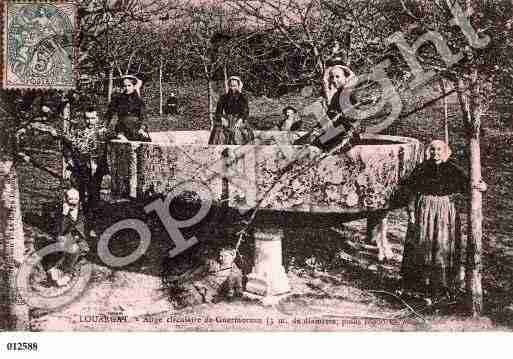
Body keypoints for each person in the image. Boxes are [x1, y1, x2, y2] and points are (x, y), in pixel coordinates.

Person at [400, 140, 487, 304]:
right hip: (424, 210)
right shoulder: (422, 168)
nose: (435, 153)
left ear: (445, 151)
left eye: (439, 150)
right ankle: (420, 286)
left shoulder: (453, 169)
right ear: (428, 151)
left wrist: (482, 187)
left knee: (442, 245)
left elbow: (469, 186)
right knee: (422, 244)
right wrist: (411, 212)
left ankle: (442, 286)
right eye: (432, 150)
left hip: (445, 211)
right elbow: (411, 190)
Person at [294, 65, 360, 151]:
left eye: (337, 77)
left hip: (346, 130)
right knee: (304, 140)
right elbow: (329, 114)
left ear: (345, 77)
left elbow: (356, 116)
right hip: (336, 128)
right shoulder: (337, 95)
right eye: (332, 77)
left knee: (317, 143)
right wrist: (318, 128)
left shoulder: (351, 93)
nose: (334, 80)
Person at [38, 188, 89, 287]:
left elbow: (84, 227)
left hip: (79, 238)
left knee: (79, 249)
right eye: (71, 199)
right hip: (65, 236)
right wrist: (64, 215)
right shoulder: (61, 212)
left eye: (76, 199)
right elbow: (59, 231)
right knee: (67, 248)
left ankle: (64, 273)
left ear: (79, 199)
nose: (73, 202)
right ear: (65, 199)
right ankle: (63, 272)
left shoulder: (83, 210)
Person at [208, 76, 254, 145]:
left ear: (238, 86)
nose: (232, 88)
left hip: (239, 119)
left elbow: (245, 111)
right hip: (227, 119)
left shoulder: (243, 98)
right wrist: (222, 119)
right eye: (231, 86)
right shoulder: (223, 97)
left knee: (242, 132)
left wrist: (240, 120)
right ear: (228, 86)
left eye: (234, 86)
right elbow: (218, 112)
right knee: (217, 131)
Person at [105, 74, 150, 141]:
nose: (127, 88)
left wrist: (142, 128)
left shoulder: (139, 100)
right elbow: (109, 113)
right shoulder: (118, 99)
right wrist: (105, 126)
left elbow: (144, 116)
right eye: (124, 86)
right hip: (122, 128)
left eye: (129, 85)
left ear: (134, 86)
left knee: (144, 142)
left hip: (136, 128)